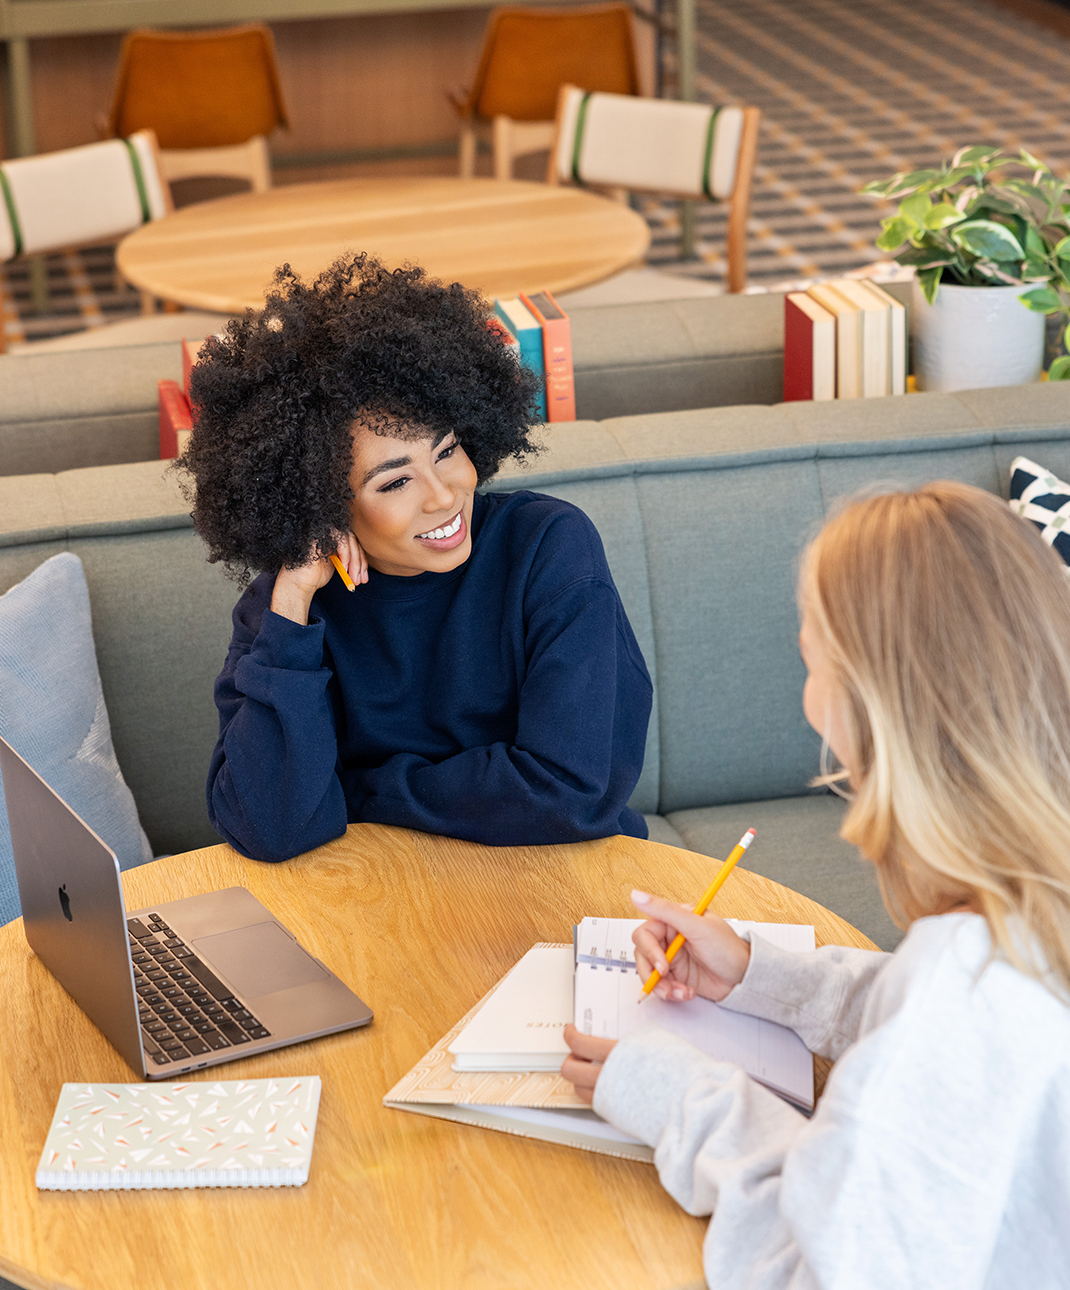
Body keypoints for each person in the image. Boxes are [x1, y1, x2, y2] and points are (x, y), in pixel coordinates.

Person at [561, 482, 1070, 1287]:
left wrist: (681, 1097)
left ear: (869, 707)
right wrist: (764, 977)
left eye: (809, 659)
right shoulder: (1028, 914)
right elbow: (935, 1021)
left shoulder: (960, 997)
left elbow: (814, 1272)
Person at [180, 254, 652, 863]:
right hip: (383, 899)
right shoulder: (284, 610)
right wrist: (293, 603)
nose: (444, 495)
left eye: (448, 450)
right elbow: (269, 826)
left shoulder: (547, 548)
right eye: (393, 483)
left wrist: (355, 791)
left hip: (560, 880)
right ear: (322, 504)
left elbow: (569, 792)